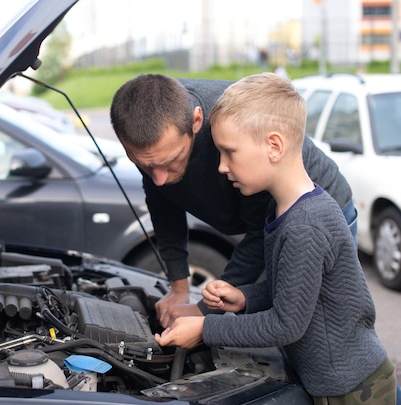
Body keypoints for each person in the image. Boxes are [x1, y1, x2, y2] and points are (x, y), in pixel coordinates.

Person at [154, 72, 397, 405]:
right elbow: (296, 293)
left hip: (353, 392)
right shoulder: (282, 210)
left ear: (274, 146)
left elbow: (287, 324)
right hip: (333, 381)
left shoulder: (305, 225)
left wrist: (206, 327)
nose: (222, 166)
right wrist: (244, 298)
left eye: (229, 152)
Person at [109, 73, 356, 328]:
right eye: (144, 165)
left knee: (320, 325)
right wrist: (179, 287)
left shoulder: (235, 133)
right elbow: (163, 205)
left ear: (196, 121)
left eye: (170, 161)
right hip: (261, 221)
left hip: (312, 212)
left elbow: (259, 237)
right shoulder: (149, 140)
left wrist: (204, 316)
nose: (158, 179)